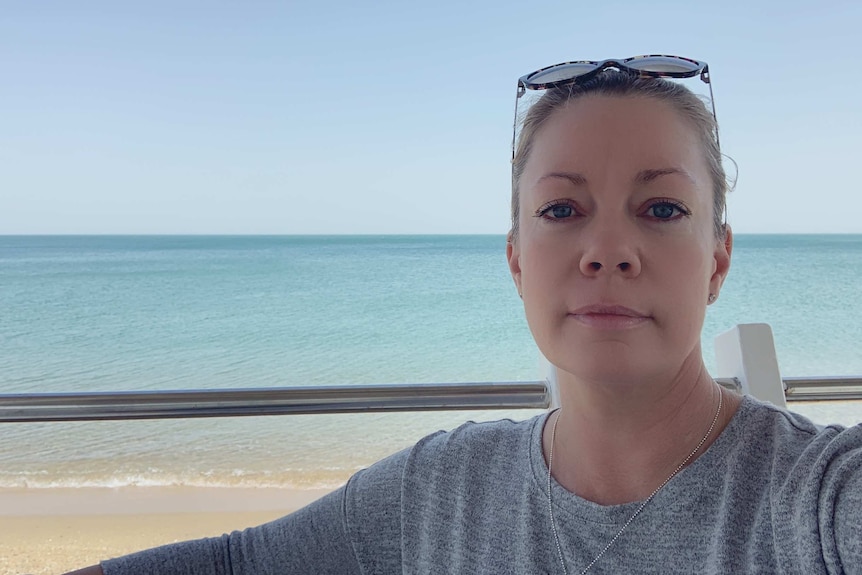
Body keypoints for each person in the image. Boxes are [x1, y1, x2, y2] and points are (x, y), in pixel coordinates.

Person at [65, 56, 862, 575]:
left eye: (659, 206)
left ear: (718, 256)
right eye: (561, 208)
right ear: (517, 261)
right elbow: (236, 564)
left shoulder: (813, 501)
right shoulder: (436, 494)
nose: (608, 249)